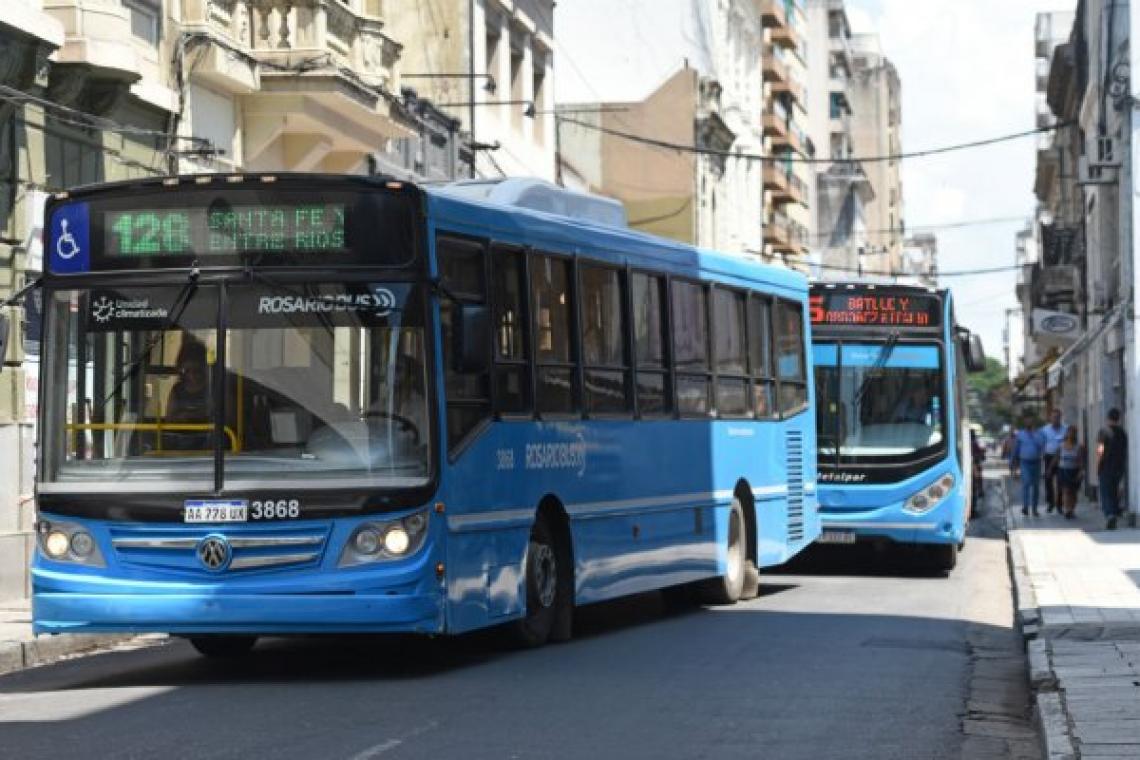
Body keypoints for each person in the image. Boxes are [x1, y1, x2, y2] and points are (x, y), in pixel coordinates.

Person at [1096, 407, 1128, 530]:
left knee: (1106, 491)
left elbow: (1100, 449)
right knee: (1114, 490)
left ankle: (1110, 514)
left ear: (1108, 418)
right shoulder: (1122, 433)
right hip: (1119, 466)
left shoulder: (1104, 431)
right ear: (1118, 418)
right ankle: (1115, 512)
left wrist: (1098, 463)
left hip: (1106, 465)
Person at [166, 337, 210, 424]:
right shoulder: (177, 390)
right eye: (187, 371)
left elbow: (224, 418)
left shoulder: (214, 389)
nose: (191, 376)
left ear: (205, 368)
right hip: (180, 432)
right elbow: (169, 419)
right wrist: (182, 417)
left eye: (196, 371)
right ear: (180, 369)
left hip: (209, 433)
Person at [1010, 414, 1046, 517]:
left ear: (1033, 423)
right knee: (1026, 484)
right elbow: (1016, 449)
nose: (1029, 423)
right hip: (1025, 462)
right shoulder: (1020, 435)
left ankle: (1034, 508)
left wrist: (1034, 435)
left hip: (1036, 462)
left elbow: (1042, 445)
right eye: (1027, 421)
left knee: (1035, 486)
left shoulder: (1039, 434)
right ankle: (1025, 507)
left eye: (1030, 421)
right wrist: (1013, 463)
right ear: (1025, 423)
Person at [1039, 409, 1069, 514]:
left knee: (1061, 481)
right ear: (1050, 418)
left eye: (1057, 417)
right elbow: (1042, 443)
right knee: (1048, 480)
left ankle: (1059, 504)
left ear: (1060, 417)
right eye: (1054, 417)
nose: (1056, 419)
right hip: (1049, 456)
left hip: (1061, 457)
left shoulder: (1065, 429)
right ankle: (1050, 503)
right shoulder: (1044, 430)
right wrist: (1042, 455)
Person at [1055, 426, 1085, 520]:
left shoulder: (1078, 447)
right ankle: (1067, 509)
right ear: (1067, 434)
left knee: (1074, 492)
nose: (1071, 435)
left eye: (1073, 433)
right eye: (1069, 432)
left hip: (1074, 470)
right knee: (1066, 490)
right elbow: (1057, 458)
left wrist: (1081, 471)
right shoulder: (1061, 446)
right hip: (1063, 470)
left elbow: (1081, 460)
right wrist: (1051, 469)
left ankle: (1072, 509)